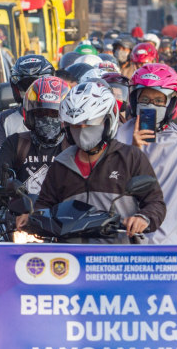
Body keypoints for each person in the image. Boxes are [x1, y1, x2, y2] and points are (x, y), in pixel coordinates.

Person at [33, 80, 166, 243]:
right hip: (71, 260)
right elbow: (43, 206)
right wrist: (32, 218)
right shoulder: (61, 164)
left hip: (117, 257)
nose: (82, 131)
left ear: (107, 122)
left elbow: (155, 203)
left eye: (89, 125)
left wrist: (143, 218)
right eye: (76, 126)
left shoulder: (130, 157)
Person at [115, 63, 177, 244]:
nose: (151, 106)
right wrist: (134, 151)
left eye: (159, 101)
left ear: (171, 104)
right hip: (123, 230)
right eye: (145, 100)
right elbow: (114, 186)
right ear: (135, 101)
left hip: (169, 237)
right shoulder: (119, 135)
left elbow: (176, 201)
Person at [0, 76, 71, 198]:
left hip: (64, 214)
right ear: (29, 116)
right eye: (41, 113)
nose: (47, 119)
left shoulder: (74, 145)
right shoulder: (16, 143)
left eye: (54, 114)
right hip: (21, 213)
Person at [0, 54, 53, 162]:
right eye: (26, 86)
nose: (31, 93)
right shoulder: (6, 120)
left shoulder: (63, 116)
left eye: (37, 86)